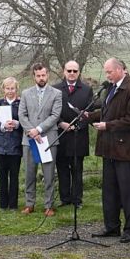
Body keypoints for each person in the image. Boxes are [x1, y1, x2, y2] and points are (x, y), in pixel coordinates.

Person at [89, 58, 130, 243]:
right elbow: (107, 113)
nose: (107, 75)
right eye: (106, 72)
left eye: (109, 72)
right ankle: (112, 226)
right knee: (109, 188)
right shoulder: (110, 88)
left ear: (120, 70)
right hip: (108, 146)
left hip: (124, 147)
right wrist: (88, 116)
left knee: (126, 189)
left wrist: (108, 125)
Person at [18, 63, 62, 216]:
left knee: (49, 174)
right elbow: (21, 115)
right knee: (30, 173)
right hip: (29, 139)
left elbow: (55, 115)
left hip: (48, 138)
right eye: (38, 75)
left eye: (44, 75)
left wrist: (39, 129)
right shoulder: (25, 93)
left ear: (47, 75)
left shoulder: (56, 93)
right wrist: (32, 131)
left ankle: (49, 205)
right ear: (34, 76)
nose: (41, 78)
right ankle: (30, 204)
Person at [53, 60, 93, 208]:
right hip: (61, 134)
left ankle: (77, 199)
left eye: (74, 71)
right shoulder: (55, 89)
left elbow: (90, 112)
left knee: (77, 169)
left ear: (79, 72)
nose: (71, 73)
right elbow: (51, 111)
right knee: (62, 168)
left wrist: (77, 125)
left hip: (78, 136)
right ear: (64, 71)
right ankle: (65, 198)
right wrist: (60, 123)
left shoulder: (86, 90)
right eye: (69, 71)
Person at [0, 77, 23, 210]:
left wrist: (17, 124)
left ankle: (13, 205)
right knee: (2, 176)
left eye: (12, 88)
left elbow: (25, 120)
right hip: (0, 145)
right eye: (7, 88)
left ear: (16, 89)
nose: (10, 91)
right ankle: (3, 204)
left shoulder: (21, 103)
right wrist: (1, 125)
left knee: (14, 176)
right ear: (3, 89)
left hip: (15, 144)